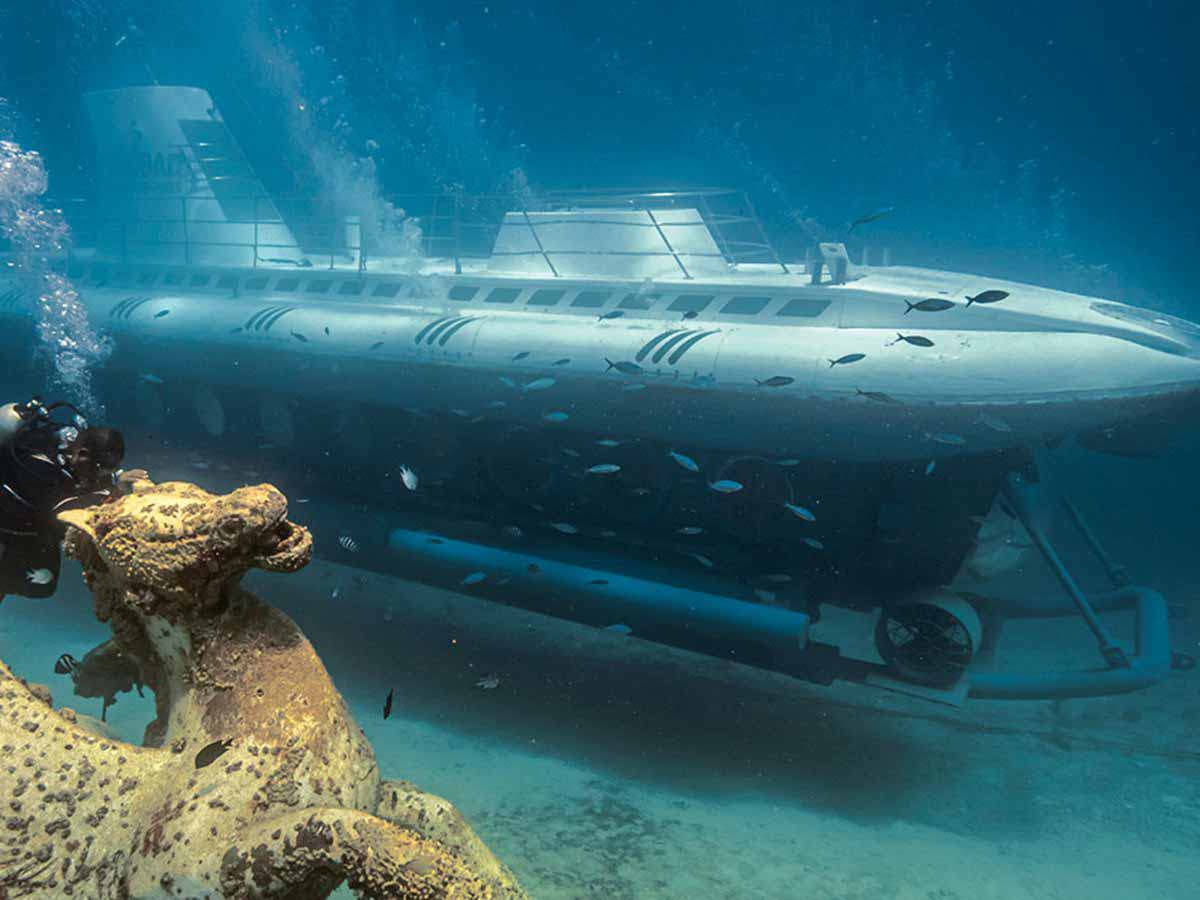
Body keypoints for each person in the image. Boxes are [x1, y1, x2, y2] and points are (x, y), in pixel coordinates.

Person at [0, 396, 133, 602]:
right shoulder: (41, 465)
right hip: (10, 524)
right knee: (38, 584)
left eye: (110, 470)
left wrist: (112, 482)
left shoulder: (77, 454)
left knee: (42, 584)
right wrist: (109, 493)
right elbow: (57, 512)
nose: (101, 477)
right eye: (101, 470)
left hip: (31, 525)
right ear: (82, 454)